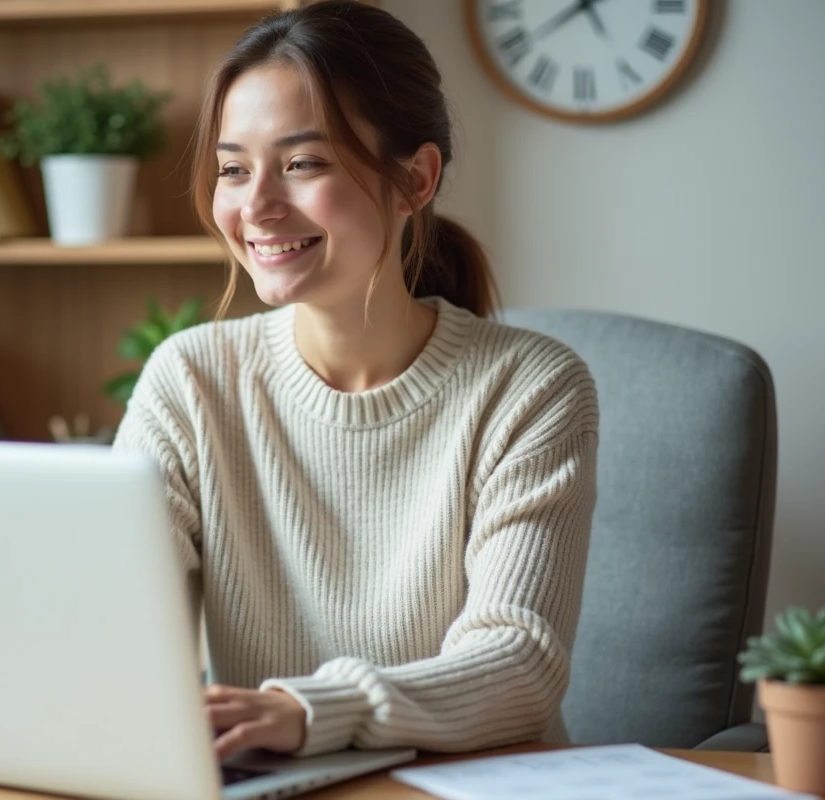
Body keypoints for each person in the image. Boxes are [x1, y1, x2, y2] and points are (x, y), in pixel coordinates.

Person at [112, 0, 598, 763]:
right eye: (234, 169)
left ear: (415, 178)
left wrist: (309, 710)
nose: (257, 206)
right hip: (265, 783)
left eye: (303, 163)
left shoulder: (529, 387)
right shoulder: (190, 380)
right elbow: (115, 624)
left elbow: (519, 664)